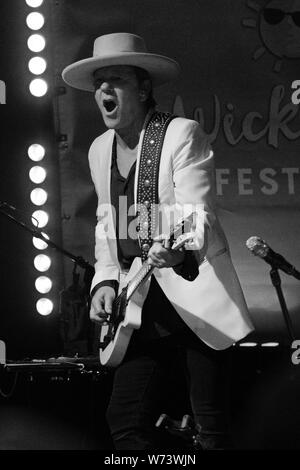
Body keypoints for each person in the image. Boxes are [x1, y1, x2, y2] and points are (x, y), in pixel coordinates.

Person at [62, 32, 254, 450]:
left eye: (116, 80)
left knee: (211, 429)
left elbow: (195, 210)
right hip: (138, 306)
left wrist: (177, 244)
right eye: (99, 83)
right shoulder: (99, 150)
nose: (104, 91)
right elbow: (106, 224)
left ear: (144, 87)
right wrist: (105, 282)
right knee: (124, 419)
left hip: (191, 298)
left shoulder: (180, 134)